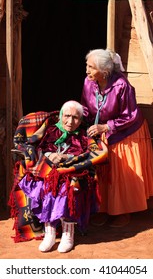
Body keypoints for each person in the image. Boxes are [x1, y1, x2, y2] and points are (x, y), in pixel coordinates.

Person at [16, 100, 104, 253]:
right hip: (48, 170)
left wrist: (66, 158)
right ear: (61, 116)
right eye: (67, 116)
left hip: (72, 172)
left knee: (66, 188)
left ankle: (68, 234)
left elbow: (88, 155)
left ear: (81, 120)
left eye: (75, 118)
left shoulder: (83, 136)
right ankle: (49, 233)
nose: (70, 122)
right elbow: (38, 149)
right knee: (46, 186)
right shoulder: (50, 131)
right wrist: (50, 155)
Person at [81, 48, 153, 227]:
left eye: (91, 67)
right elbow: (86, 106)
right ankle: (103, 209)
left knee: (121, 173)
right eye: (87, 65)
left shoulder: (122, 85)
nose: (87, 70)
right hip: (101, 130)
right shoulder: (88, 82)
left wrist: (106, 127)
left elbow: (131, 115)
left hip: (125, 131)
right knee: (101, 171)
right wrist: (76, 118)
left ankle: (123, 212)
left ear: (104, 71)